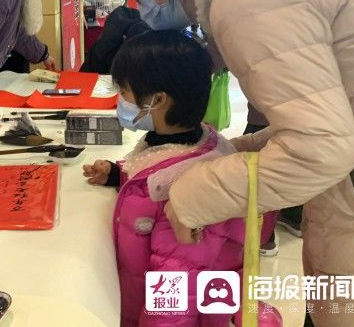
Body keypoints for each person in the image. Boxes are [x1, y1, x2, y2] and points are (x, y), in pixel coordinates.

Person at [124, 0, 354, 326]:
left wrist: (191, 197)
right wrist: (227, 152)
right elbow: (326, 120)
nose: (137, 2)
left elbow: (322, 149)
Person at [82, 30, 277, 326]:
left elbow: (174, 291)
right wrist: (118, 175)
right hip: (135, 291)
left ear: (157, 99)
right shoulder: (197, 142)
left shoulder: (187, 189)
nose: (119, 100)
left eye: (124, 91)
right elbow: (150, 177)